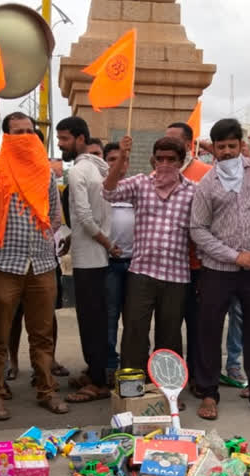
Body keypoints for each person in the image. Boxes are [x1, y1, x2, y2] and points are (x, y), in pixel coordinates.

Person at [0, 111, 69, 419]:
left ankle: (47, 389)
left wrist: (48, 241)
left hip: (41, 264)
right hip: (5, 264)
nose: (25, 137)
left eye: (30, 132)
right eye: (18, 132)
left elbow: (53, 215)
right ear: (6, 138)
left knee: (42, 334)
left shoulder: (45, 174)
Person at [190, 118, 250, 421]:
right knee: (209, 329)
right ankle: (208, 392)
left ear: (242, 145)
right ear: (213, 149)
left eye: (233, 145)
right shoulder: (207, 184)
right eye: (222, 147)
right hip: (218, 269)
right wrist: (233, 256)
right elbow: (198, 230)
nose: (228, 151)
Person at [104, 137, 194, 383]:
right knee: (134, 332)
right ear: (153, 160)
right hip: (142, 273)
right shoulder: (140, 183)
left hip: (177, 276)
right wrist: (121, 156)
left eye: (171, 160)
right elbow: (108, 191)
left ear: (181, 161)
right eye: (160, 159)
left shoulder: (192, 191)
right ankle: (132, 388)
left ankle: (168, 389)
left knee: (170, 336)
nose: (165, 164)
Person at [56, 116, 112, 402]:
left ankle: (99, 383)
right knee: (98, 319)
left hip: (89, 257)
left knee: (91, 321)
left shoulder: (78, 172)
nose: (60, 144)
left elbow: (85, 217)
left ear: (80, 139)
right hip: (96, 256)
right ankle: (96, 372)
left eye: (64, 138)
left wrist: (104, 241)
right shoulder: (100, 169)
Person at [165, 121, 214, 390]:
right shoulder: (160, 173)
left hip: (199, 266)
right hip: (170, 266)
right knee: (170, 327)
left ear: (187, 145)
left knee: (198, 326)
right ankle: (174, 378)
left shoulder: (206, 173)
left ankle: (198, 377)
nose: (167, 148)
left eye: (173, 142)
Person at [103, 142, 134, 376]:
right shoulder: (102, 191)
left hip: (135, 264)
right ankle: (110, 365)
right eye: (112, 159)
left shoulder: (137, 189)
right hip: (109, 265)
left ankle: (131, 364)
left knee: (134, 319)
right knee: (110, 316)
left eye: (122, 159)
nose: (118, 164)